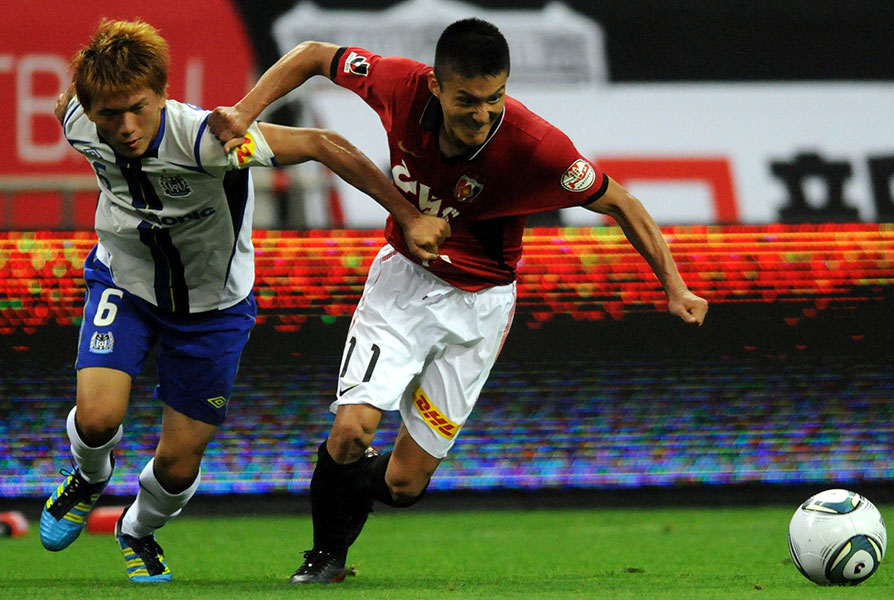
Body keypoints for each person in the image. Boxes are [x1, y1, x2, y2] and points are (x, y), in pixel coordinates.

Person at [210, 17, 709, 584]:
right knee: (351, 431)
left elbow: (621, 202)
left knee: (403, 487)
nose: (482, 114)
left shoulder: (538, 148)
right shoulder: (397, 83)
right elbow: (313, 54)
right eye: (467, 100)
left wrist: (675, 285)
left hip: (482, 307)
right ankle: (325, 558)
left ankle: (345, 485)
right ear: (436, 87)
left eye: (494, 98)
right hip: (402, 286)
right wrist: (244, 112)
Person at [39, 18, 448, 583]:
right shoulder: (76, 119)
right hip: (124, 283)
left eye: (139, 107)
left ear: (162, 94)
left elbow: (322, 144)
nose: (127, 127)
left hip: (214, 309)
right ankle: (88, 477)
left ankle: (138, 529)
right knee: (98, 415)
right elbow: (71, 100)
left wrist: (408, 215)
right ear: (90, 107)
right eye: (110, 114)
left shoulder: (210, 141)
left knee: (179, 465)